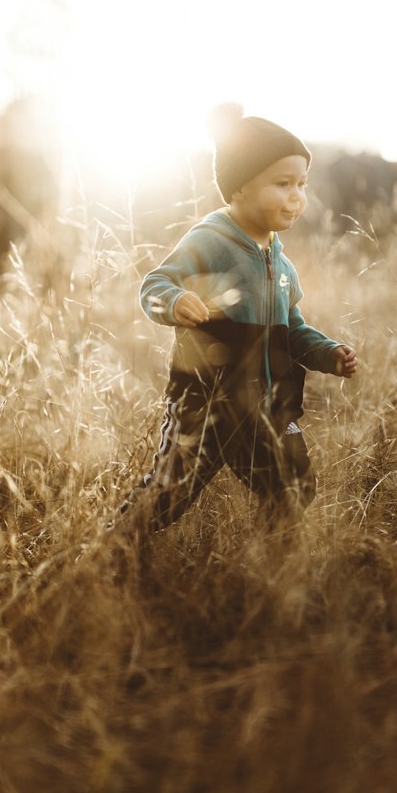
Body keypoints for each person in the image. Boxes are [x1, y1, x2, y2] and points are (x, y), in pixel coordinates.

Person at [117, 106, 358, 531]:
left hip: (265, 407)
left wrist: (327, 354)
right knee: (168, 494)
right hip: (205, 404)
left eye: (301, 183)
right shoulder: (211, 240)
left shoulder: (281, 264)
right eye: (282, 184)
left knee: (293, 485)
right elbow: (153, 286)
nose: (297, 195)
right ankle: (109, 554)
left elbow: (294, 329)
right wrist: (175, 301)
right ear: (240, 187)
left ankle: (264, 568)